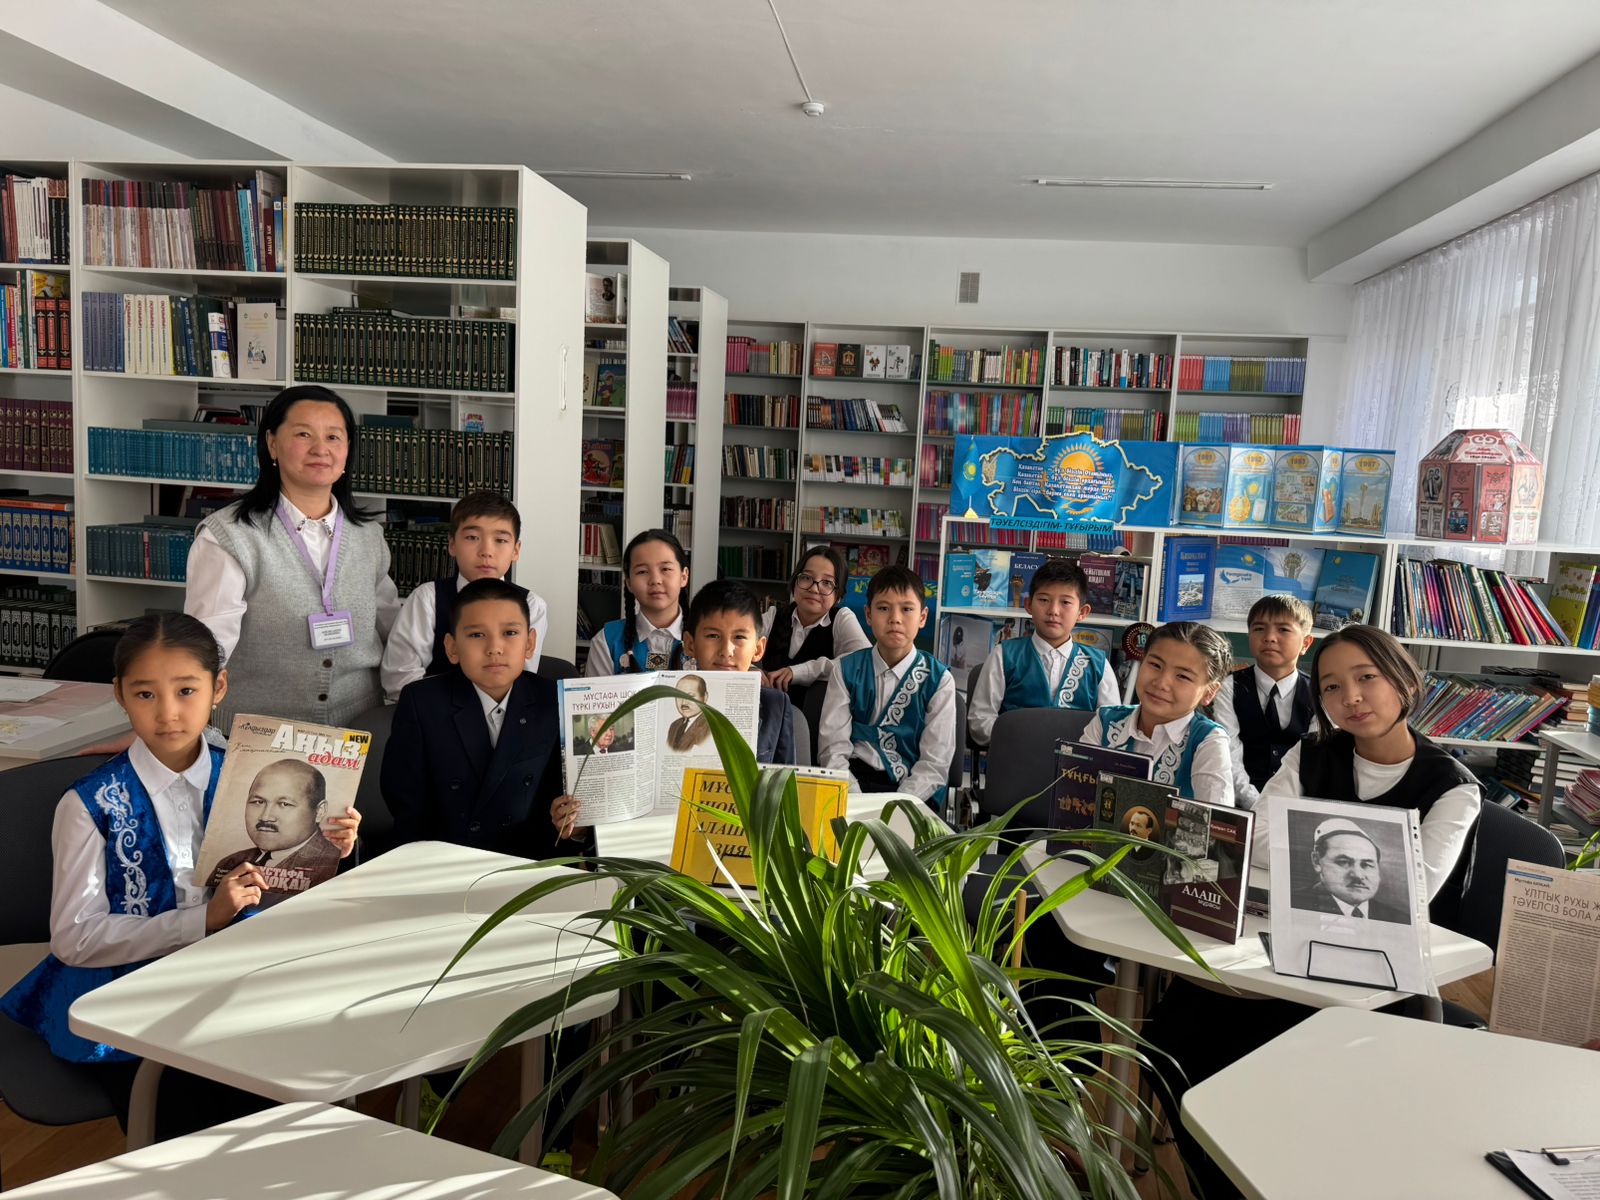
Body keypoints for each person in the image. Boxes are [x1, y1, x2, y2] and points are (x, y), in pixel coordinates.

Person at [1145, 625, 1481, 1200]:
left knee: (1280, 1072)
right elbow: (1259, 837)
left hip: (1382, 980)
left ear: (1404, 680)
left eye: (1366, 678)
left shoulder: (1452, 788)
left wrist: (1308, 849)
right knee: (1170, 1036)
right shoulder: (1313, 751)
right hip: (1290, 954)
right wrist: (1343, 861)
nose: (1350, 697)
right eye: (1330, 686)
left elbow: (1407, 895)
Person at [0, 613, 358, 1138]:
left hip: (236, 981)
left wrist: (333, 849)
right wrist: (202, 921)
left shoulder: (250, 778)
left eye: (186, 690)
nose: (167, 712)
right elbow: (75, 938)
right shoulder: (90, 804)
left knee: (298, 1092)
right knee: (192, 1116)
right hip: (124, 993)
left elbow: (290, 898)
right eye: (145, 694)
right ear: (120, 694)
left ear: (219, 688)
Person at [186, 385, 401, 732]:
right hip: (257, 733)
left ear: (348, 450)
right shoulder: (229, 537)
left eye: (333, 437)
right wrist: (180, 718)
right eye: (304, 434)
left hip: (357, 731)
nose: (321, 449)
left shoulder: (368, 537)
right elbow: (206, 647)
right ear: (272, 443)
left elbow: (393, 630)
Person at [383, 578, 569, 858]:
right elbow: (406, 802)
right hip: (445, 858)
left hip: (529, 863)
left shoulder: (554, 700)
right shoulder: (422, 703)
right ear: (452, 648)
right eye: (477, 635)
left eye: (510, 633)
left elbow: (562, 797)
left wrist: (571, 826)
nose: (495, 648)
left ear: (530, 643)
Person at [380, 491, 549, 700]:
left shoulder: (531, 605)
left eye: (500, 540)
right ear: (452, 544)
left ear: (516, 550)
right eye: (472, 538)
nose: (486, 551)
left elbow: (520, 680)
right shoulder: (427, 599)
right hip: (434, 714)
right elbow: (399, 679)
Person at [817, 565, 955, 809]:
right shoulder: (846, 669)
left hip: (913, 791)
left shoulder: (939, 680)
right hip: (853, 783)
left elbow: (934, 765)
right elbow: (832, 750)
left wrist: (893, 808)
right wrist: (857, 801)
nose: (895, 619)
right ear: (868, 615)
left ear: (922, 617)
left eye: (907, 609)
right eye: (883, 608)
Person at [1078, 621, 1235, 807]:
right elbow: (1075, 792)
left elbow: (1215, 817)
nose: (1161, 683)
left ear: (1209, 692)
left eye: (1183, 676)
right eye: (1155, 665)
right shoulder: (1106, 720)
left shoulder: (1208, 740)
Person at [967, 558, 1121, 746]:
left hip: (1075, 763)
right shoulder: (1003, 655)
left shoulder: (1098, 665)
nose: (1053, 611)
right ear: (1028, 605)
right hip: (1016, 758)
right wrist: (1021, 740)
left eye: (1065, 602)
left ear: (1082, 612)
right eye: (1043, 600)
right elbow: (979, 721)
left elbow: (1111, 727)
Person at [1213, 594, 1316, 809]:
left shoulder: (1319, 693)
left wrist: (1284, 807)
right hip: (1240, 803)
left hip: (1298, 805)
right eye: (1259, 628)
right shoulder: (1228, 687)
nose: (1269, 637)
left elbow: (1315, 757)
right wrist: (1256, 804)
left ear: (1306, 643)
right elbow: (1227, 755)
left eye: (1283, 629)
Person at [683, 579, 796, 765]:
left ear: (758, 649)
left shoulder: (775, 705)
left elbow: (786, 776)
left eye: (739, 637)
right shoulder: (669, 699)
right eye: (713, 635)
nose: (726, 650)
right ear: (690, 644)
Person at [759, 546, 870, 712]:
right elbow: (736, 642)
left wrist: (801, 671)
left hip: (820, 720)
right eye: (806, 577)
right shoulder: (773, 616)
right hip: (768, 714)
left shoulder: (841, 618)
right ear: (794, 583)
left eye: (827, 583)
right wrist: (751, 669)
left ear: (839, 595)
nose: (813, 588)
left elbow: (863, 661)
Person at [205, 759, 342, 893]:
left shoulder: (334, 867)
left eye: (284, 804)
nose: (265, 817)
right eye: (258, 802)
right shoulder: (229, 863)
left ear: (319, 811)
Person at [584, 529, 691, 675]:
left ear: (684, 576)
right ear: (629, 582)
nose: (655, 580)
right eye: (642, 571)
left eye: (665, 569)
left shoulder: (705, 637)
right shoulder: (606, 641)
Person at [1294, 819, 1408, 923]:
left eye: (1366, 865)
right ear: (1317, 861)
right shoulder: (1294, 904)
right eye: (1343, 862)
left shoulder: (1400, 919)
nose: (1358, 875)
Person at [664, 674, 712, 751]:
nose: (684, 702)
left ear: (705, 697)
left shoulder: (711, 727)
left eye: (690, 696)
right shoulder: (674, 725)